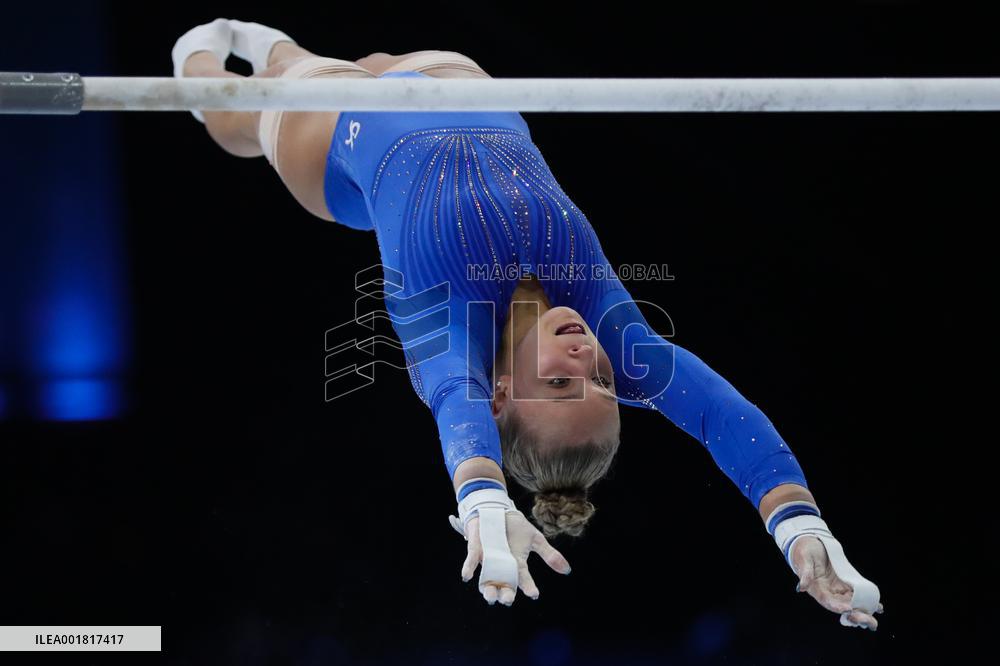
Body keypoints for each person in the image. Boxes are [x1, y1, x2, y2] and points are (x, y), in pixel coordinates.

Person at [171, 19, 884, 627]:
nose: (590, 360)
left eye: (564, 384)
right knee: (385, 66)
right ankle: (274, 54)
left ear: (502, 394)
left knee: (264, 98)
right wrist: (797, 523)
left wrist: (481, 496)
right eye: (606, 387)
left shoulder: (446, 332)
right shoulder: (609, 328)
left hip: (336, 147)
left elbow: (456, 404)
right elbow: (719, 416)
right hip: (461, 86)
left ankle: (204, 54)